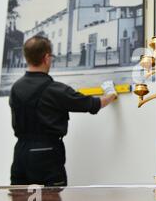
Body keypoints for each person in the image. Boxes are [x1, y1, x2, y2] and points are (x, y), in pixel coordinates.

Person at [9, 35, 117, 187]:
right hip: (46, 152)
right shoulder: (55, 90)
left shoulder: (15, 88)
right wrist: (111, 94)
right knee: (50, 200)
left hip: (20, 151)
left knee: (20, 199)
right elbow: (91, 104)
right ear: (47, 58)